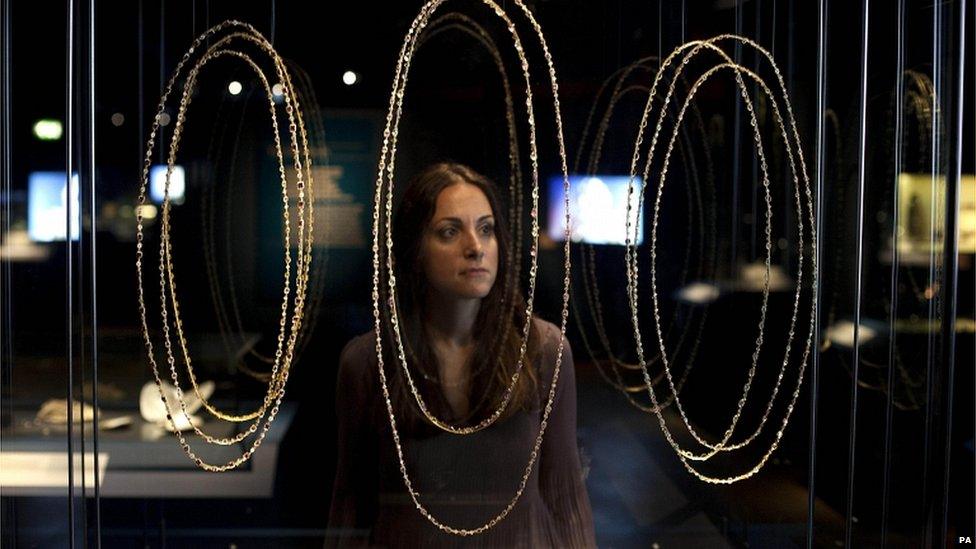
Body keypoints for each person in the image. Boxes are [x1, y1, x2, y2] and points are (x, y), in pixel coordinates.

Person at [326, 162, 595, 547]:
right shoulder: (370, 361)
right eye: (450, 232)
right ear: (416, 248)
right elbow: (351, 503)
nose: (475, 247)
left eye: (486, 229)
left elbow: (565, 495)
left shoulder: (544, 351)